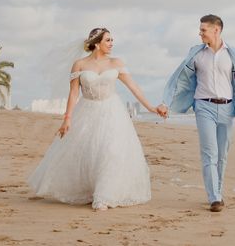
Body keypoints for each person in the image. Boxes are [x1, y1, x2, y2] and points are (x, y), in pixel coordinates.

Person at [28, 27, 163, 211]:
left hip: (112, 111)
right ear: (97, 43)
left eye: (112, 40)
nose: (111, 43)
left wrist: (151, 108)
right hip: (87, 110)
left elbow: (134, 87)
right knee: (88, 151)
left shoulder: (116, 63)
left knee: (110, 151)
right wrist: (67, 118)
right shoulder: (80, 65)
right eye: (108, 40)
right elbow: (74, 93)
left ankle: (103, 196)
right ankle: (89, 190)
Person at [158, 14, 235, 212]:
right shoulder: (196, 54)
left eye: (203, 30)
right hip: (203, 107)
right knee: (210, 153)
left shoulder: (233, 54)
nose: (199, 33)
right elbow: (180, 80)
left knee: (222, 155)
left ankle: (218, 190)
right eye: (200, 30)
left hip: (227, 109)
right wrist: (167, 102)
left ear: (216, 30)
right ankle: (214, 198)